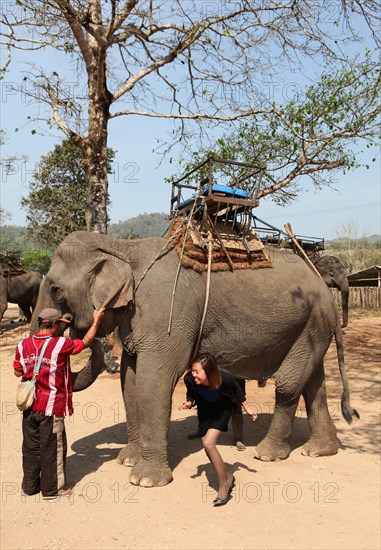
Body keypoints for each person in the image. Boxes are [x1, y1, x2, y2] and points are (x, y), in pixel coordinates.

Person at [13, 306, 105, 501]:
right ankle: (52, 489)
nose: (60, 329)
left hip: (29, 407)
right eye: (60, 325)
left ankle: (29, 487)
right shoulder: (60, 344)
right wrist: (96, 321)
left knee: (30, 447)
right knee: (52, 447)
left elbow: (18, 372)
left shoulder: (22, 346)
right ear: (53, 325)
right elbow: (85, 343)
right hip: (50, 406)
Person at [178, 352, 257, 506]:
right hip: (205, 411)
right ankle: (228, 475)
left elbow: (236, 390)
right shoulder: (189, 379)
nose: (193, 374)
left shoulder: (224, 379)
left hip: (222, 410)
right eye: (192, 370)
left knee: (208, 443)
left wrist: (247, 407)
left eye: (197, 371)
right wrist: (189, 402)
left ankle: (224, 484)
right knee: (207, 445)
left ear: (208, 371)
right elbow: (191, 395)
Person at [187, 378, 248, 451]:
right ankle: (201, 431)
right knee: (204, 407)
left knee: (236, 411)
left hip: (233, 383)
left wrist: (242, 396)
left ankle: (238, 439)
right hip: (215, 383)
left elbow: (238, 379)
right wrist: (190, 400)